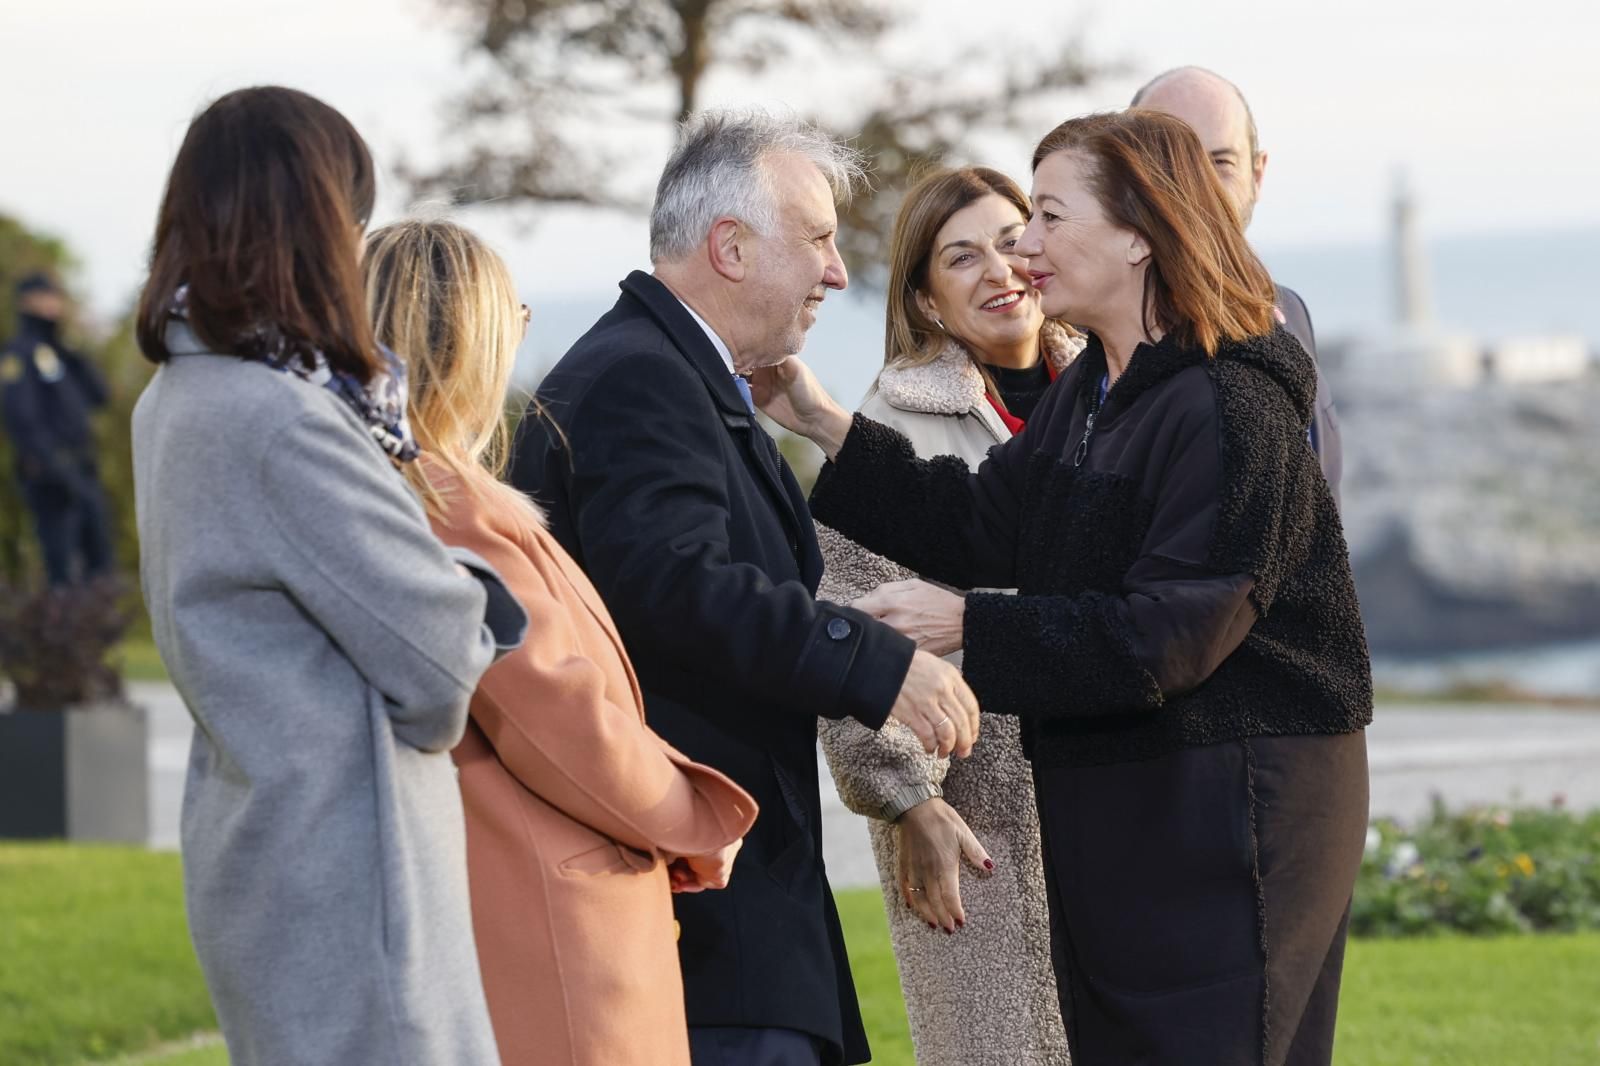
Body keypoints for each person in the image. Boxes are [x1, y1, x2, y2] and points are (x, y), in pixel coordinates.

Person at [756, 110, 1373, 1066]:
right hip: (1127, 804)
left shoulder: (1228, 404)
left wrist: (966, 622)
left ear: (1138, 234)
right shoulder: (1097, 393)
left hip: (1234, 813)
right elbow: (981, 524)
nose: (1025, 246)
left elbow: (1169, 635)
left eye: (1046, 215)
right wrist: (814, 417)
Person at [511, 109, 981, 1066]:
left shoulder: (675, 373)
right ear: (729, 247)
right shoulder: (642, 379)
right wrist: (875, 660)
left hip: (729, 915)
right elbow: (677, 585)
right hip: (705, 925)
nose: (838, 272)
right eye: (815, 240)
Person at [131, 87, 525, 1066]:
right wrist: (472, 576)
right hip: (356, 883)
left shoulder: (177, 395)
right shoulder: (282, 419)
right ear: (315, 224)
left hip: (269, 854)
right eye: (352, 216)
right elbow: (437, 670)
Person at [362, 217, 760, 1066]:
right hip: (555, 925)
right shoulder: (450, 504)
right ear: (472, 336)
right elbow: (554, 715)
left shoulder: (426, 495)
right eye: (517, 317)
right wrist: (692, 814)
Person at [815, 166, 1078, 1066]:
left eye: (1011, 240)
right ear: (926, 301)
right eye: (961, 257)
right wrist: (908, 802)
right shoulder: (889, 429)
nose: (999, 269)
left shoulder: (1113, 391)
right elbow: (850, 623)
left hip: (1112, 800)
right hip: (977, 825)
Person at [1131, 65, 1344, 505]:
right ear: (1127, 178)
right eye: (1169, 162)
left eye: (1220, 162)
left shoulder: (1291, 313)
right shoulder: (1098, 336)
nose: (1199, 186)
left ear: (1258, 174)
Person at [0, 272, 114, 585]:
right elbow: (21, 418)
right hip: (51, 474)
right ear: (27, 301)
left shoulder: (61, 351)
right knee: (63, 565)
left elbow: (100, 395)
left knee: (100, 561)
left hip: (83, 467)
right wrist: (53, 466)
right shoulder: (19, 354)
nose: (55, 304)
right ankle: (64, 629)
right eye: (46, 297)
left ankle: (98, 628)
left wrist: (71, 344)